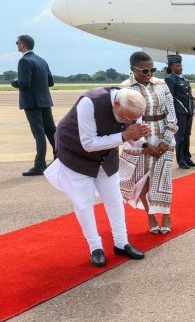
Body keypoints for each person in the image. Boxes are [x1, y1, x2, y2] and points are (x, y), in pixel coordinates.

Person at [45, 88, 149, 266]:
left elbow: (131, 136)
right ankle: (95, 248)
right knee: (83, 202)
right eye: (126, 118)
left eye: (134, 118)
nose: (129, 121)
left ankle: (121, 243)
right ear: (116, 104)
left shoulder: (132, 106)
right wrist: (124, 136)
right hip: (75, 153)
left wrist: (141, 140)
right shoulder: (90, 102)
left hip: (106, 155)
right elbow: (88, 144)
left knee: (114, 198)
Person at [118, 51, 177, 234]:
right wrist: (144, 144)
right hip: (139, 140)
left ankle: (166, 215)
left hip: (162, 137)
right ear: (132, 69)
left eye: (152, 69)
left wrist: (166, 140)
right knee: (143, 180)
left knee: (163, 178)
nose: (149, 73)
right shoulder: (125, 88)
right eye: (144, 71)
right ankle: (150, 217)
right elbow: (124, 120)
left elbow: (172, 114)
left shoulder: (161, 84)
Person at [11, 35, 55, 176]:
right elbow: (50, 82)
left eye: (17, 43)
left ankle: (39, 165)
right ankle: (59, 159)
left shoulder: (24, 61)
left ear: (23, 45)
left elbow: (24, 83)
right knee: (52, 132)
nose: (17, 45)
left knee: (39, 134)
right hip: (45, 101)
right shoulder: (42, 60)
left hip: (32, 103)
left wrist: (14, 82)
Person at [165, 55, 195, 170]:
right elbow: (171, 98)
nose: (180, 67)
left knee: (187, 135)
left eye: (181, 65)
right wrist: (173, 115)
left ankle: (187, 157)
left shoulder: (183, 78)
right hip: (179, 112)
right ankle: (181, 160)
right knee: (180, 137)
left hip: (188, 111)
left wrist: (193, 108)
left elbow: (189, 96)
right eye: (177, 65)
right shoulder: (170, 79)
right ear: (171, 67)